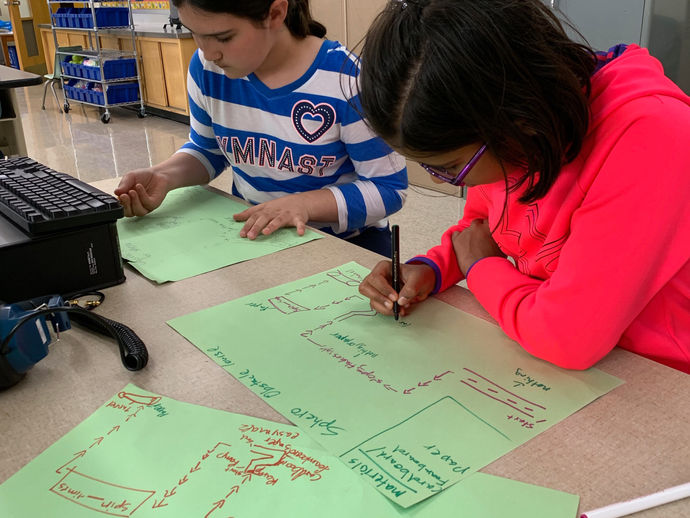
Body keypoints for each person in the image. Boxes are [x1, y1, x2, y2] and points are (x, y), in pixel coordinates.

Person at [356, 0, 690, 373]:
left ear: (517, 121)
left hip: (658, 373)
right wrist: (432, 269)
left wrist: (481, 267)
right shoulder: (516, 134)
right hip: (564, 357)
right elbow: (483, 231)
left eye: (449, 167)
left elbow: (567, 338)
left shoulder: (650, 138)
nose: (437, 179)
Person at [115, 0, 407, 256]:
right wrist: (164, 176)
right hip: (258, 242)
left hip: (345, 246)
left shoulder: (346, 80)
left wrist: (304, 205)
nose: (208, 52)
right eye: (194, 32)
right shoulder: (207, 69)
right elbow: (207, 148)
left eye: (223, 37)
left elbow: (388, 189)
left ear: (276, 13)